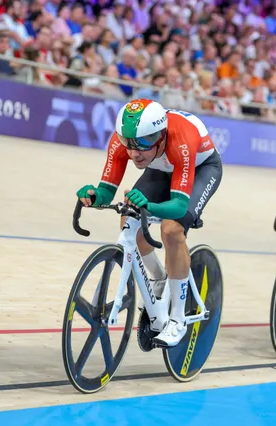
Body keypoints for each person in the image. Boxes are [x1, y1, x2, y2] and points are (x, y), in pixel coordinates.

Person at [76, 99, 223, 347]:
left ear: (161, 135)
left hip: (200, 169)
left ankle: (177, 319)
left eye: (143, 143)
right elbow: (106, 190)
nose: (134, 152)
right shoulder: (128, 140)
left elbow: (177, 206)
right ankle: (158, 277)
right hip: (161, 166)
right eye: (129, 143)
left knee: (171, 229)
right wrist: (94, 195)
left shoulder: (181, 140)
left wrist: (149, 206)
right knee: (128, 216)